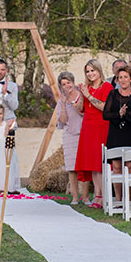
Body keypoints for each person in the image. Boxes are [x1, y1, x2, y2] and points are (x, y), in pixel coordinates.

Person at [103, 66, 131, 203]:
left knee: (130, 166)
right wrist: (118, 114)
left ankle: (128, 199)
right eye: (120, 77)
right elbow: (105, 114)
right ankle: (119, 200)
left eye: (125, 77)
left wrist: (126, 113)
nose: (123, 80)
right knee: (116, 166)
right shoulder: (113, 94)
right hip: (116, 134)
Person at [74, 59, 112, 208]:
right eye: (87, 71)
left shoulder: (107, 86)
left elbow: (104, 107)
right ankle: (97, 195)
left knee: (99, 162)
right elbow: (80, 108)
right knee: (92, 164)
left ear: (99, 70)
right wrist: (80, 95)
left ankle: (103, 196)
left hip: (101, 125)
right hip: (88, 126)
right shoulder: (87, 88)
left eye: (92, 70)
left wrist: (88, 95)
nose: (90, 74)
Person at [55, 71, 84, 205]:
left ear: (73, 82)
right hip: (69, 134)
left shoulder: (82, 95)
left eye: (68, 83)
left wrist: (72, 101)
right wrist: (64, 103)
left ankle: (86, 197)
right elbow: (62, 120)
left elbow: (83, 112)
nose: (67, 86)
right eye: (63, 84)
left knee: (84, 167)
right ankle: (75, 197)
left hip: (83, 133)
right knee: (72, 168)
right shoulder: (61, 101)